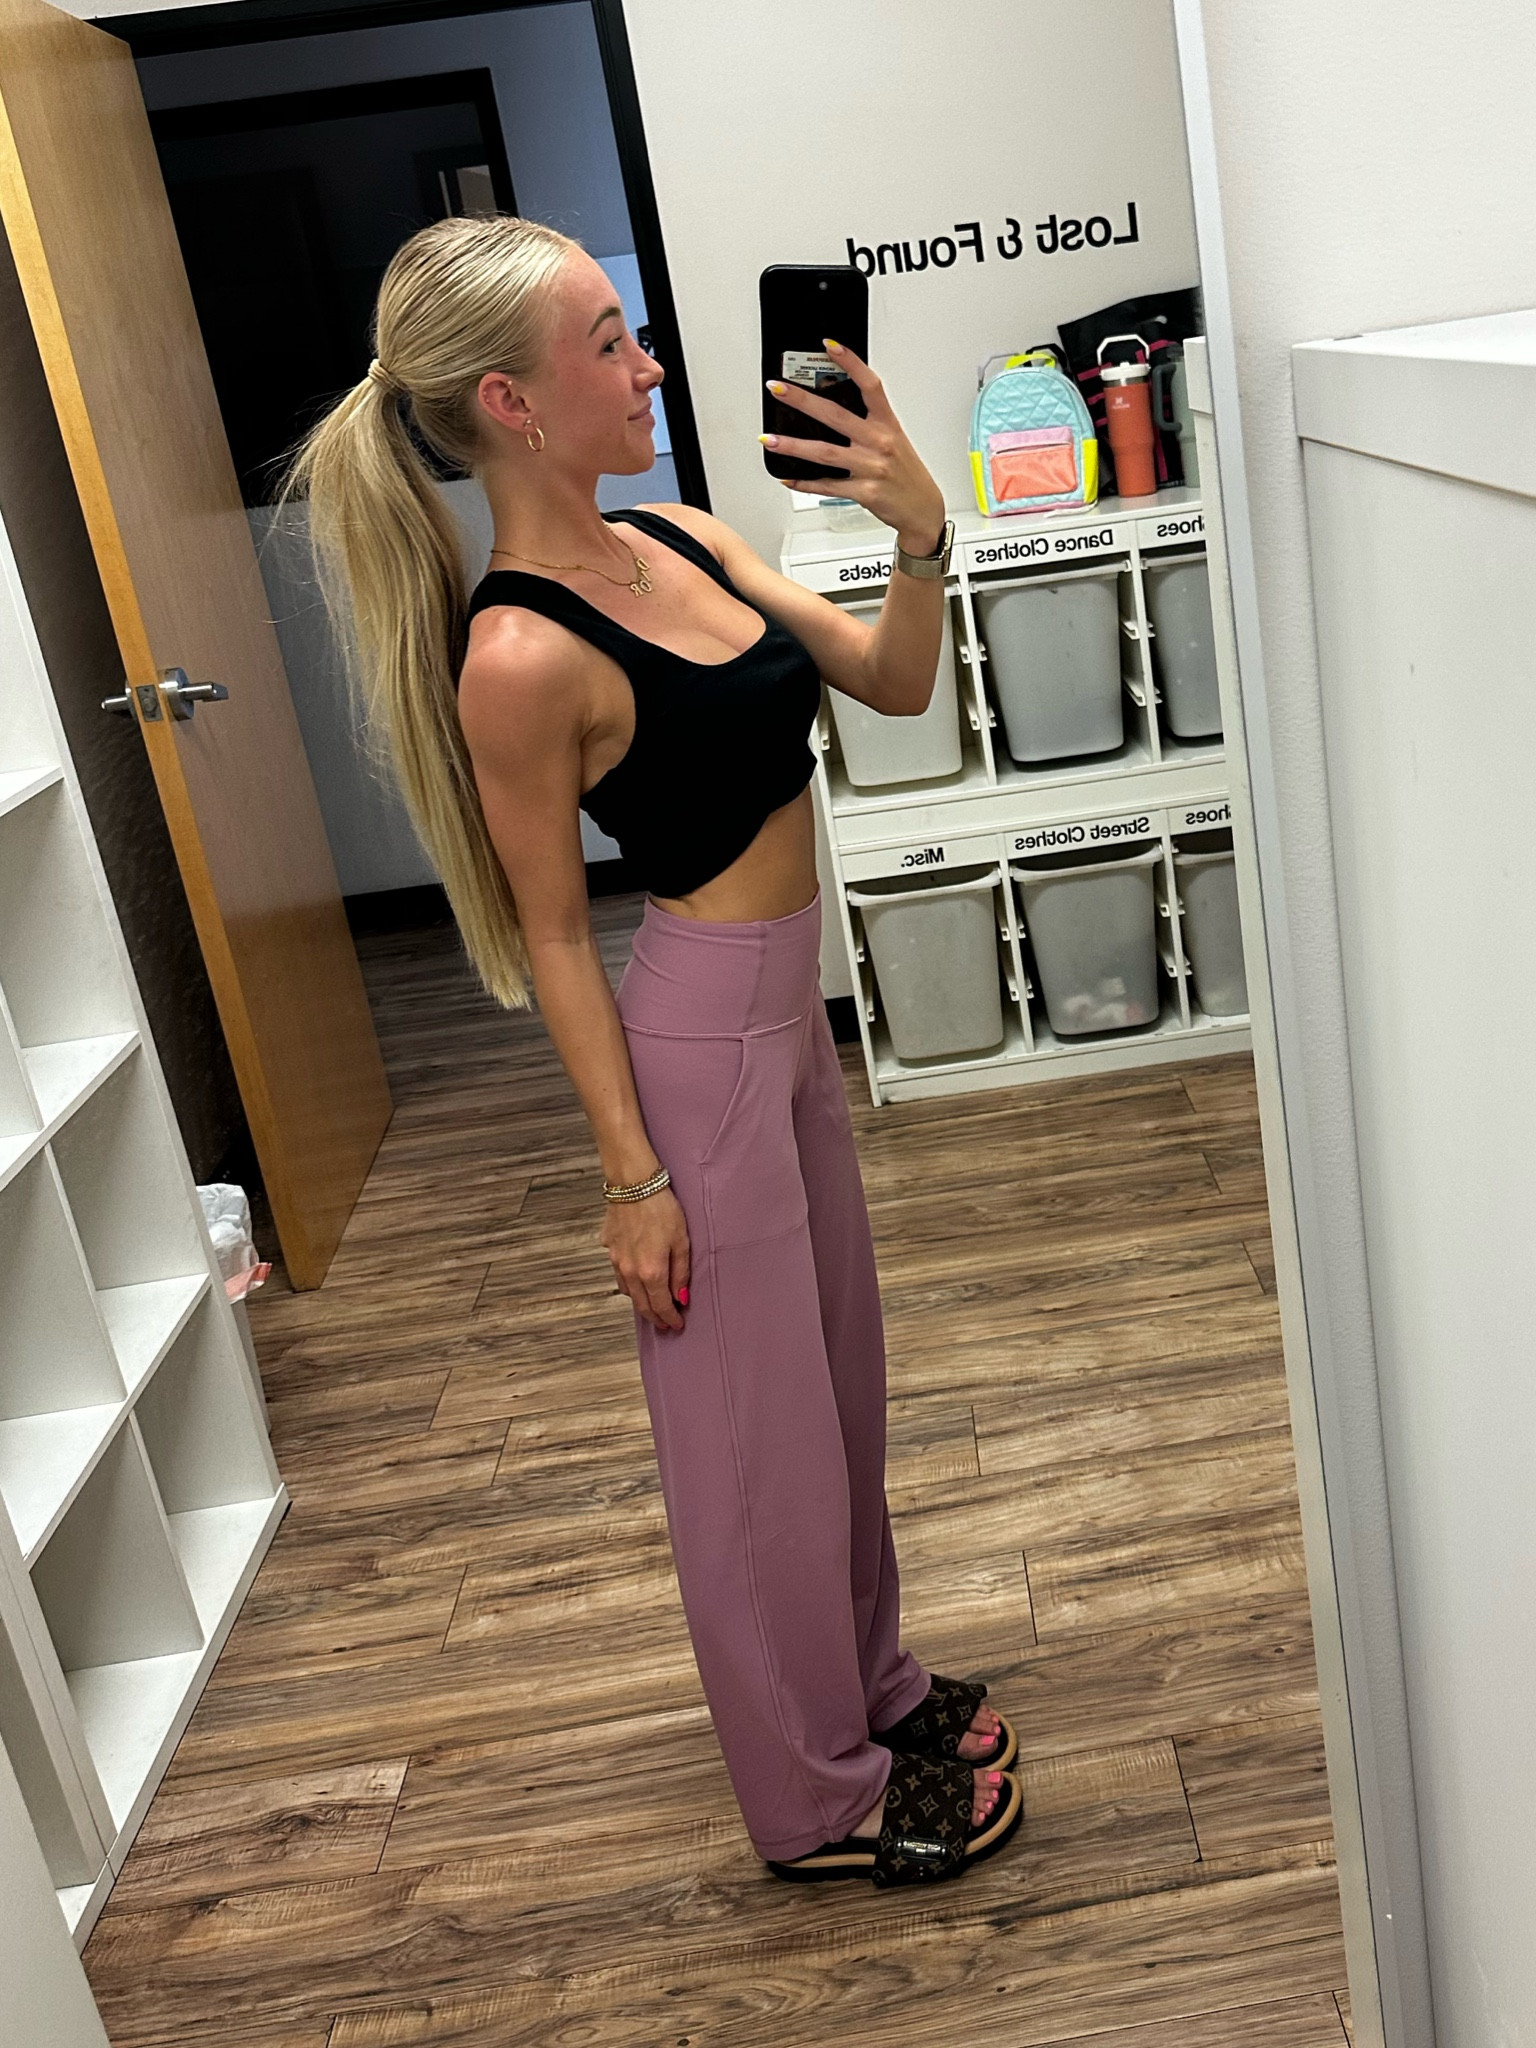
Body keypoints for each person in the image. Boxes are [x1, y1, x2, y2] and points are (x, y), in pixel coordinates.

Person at [289, 214, 1022, 1887]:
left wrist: (921, 531)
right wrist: (631, 1177)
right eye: (610, 343)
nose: (651, 366)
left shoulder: (680, 537)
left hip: (790, 1026)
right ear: (513, 403)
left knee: (836, 1391)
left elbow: (896, 685)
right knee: (751, 1449)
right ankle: (815, 1801)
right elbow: (554, 935)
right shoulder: (517, 656)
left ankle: (870, 1689)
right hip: (697, 1046)